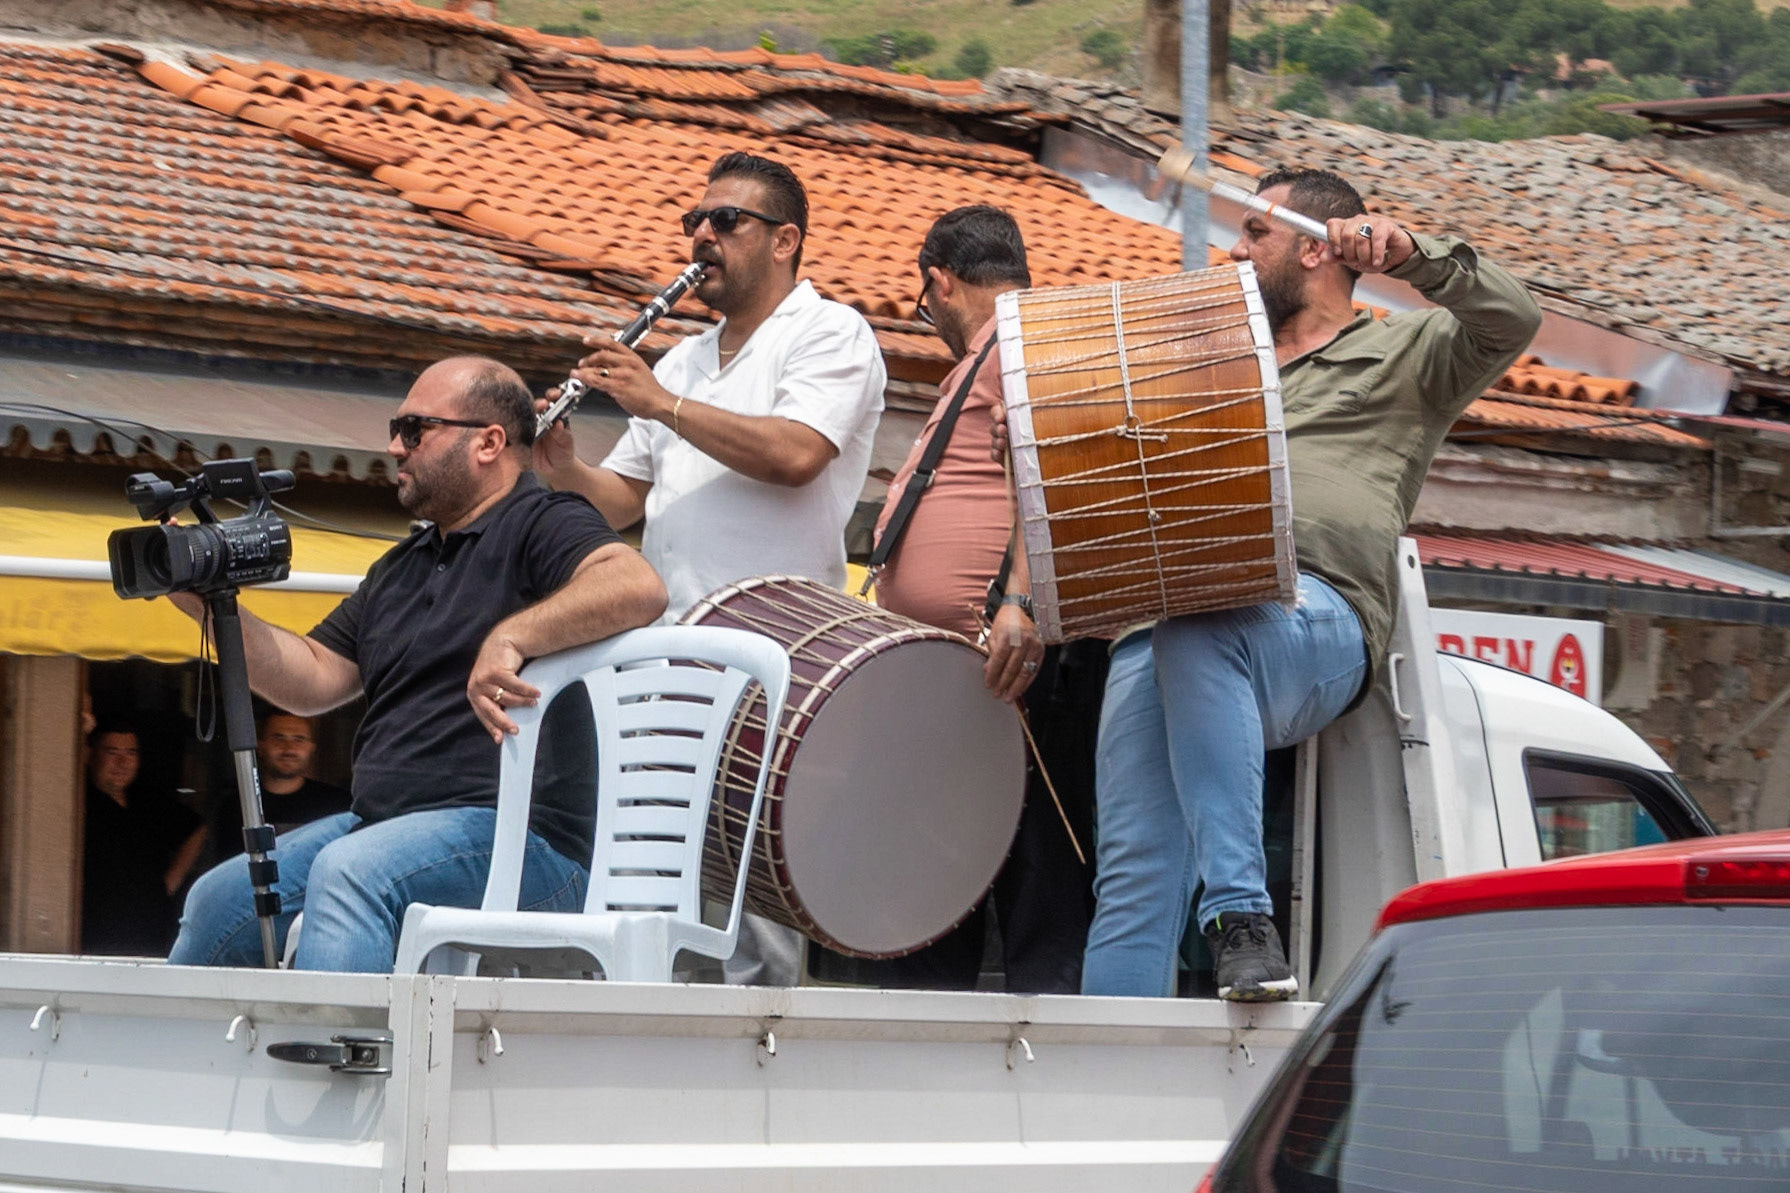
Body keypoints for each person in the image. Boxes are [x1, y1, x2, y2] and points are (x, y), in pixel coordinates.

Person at [1060, 169, 1542, 1000]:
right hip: (1169, 618)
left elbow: (1514, 319)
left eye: (1255, 235)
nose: (1234, 252)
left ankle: (1241, 920)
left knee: (1200, 629)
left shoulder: (1406, 351)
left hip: (1314, 615)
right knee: (1132, 883)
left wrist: (1414, 255)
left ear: (1317, 249)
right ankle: (1101, 1097)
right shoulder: (1207, 367)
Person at [168, 356, 667, 973]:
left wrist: (510, 637)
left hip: (525, 843)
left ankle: (341, 1060)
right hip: (384, 829)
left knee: (351, 873)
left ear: (488, 442)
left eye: (414, 430)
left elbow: (637, 584)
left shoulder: (544, 520)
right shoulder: (402, 565)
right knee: (221, 899)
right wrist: (207, 603)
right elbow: (315, 677)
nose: (394, 447)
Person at [535, 151, 886, 985]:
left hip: (776, 661)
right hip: (663, 660)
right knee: (655, 896)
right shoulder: (684, 360)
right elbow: (622, 499)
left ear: (785, 240)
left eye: (725, 221)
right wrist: (560, 465)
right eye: (694, 221)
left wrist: (662, 404)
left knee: (752, 921)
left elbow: (798, 454)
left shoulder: (830, 333)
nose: (701, 236)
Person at [859, 206, 1103, 994]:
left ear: (939, 280)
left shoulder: (1024, 341)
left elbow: (1053, 470)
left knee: (1036, 881)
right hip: (968, 675)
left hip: (1017, 666)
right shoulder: (997, 351)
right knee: (945, 885)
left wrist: (1021, 599)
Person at [81, 721, 206, 956]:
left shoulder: (147, 801)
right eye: (112, 752)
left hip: (151, 931)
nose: (122, 762)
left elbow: (196, 830)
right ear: (90, 755)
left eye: (131, 753)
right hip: (95, 934)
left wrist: (170, 882)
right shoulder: (79, 804)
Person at [211, 713, 351, 858]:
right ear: (260, 746)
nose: (289, 749)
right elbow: (230, 871)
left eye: (299, 739)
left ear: (311, 748)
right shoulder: (238, 806)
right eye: (278, 738)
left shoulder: (338, 805)